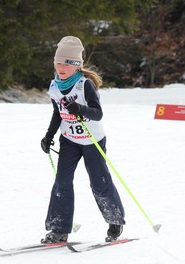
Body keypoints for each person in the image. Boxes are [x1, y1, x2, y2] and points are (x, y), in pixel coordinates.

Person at [40, 36, 125, 243]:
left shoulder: (84, 85)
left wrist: (79, 109)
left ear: (76, 65)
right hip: (69, 140)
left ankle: (115, 222)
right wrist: (48, 136)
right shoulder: (55, 86)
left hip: (92, 141)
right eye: (57, 62)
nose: (60, 67)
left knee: (99, 182)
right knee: (62, 182)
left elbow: (97, 113)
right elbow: (58, 113)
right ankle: (59, 228)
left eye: (66, 63)